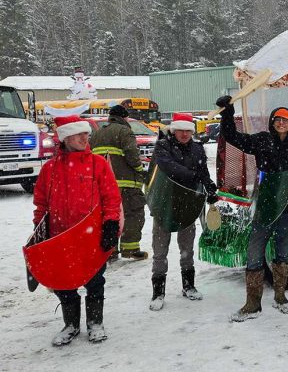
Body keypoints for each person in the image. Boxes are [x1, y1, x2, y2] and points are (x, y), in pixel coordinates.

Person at [215, 96, 288, 322]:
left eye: (285, 120)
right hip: (264, 209)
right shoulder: (262, 141)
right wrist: (227, 113)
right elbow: (232, 137)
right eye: (277, 119)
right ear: (272, 122)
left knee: (282, 254)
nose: (281, 123)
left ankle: (280, 297)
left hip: (287, 211)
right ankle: (252, 304)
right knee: (254, 254)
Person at [32, 115, 122, 346]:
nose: (85, 137)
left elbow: (111, 197)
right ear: (65, 137)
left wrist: (111, 223)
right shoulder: (50, 168)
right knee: (64, 282)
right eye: (79, 134)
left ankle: (95, 323)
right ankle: (71, 325)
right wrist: (39, 228)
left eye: (86, 134)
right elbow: (41, 202)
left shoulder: (98, 164)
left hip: (91, 235)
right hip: (61, 237)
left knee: (95, 280)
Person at [149, 113, 218, 311]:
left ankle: (189, 286)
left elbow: (203, 171)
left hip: (188, 203)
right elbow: (167, 166)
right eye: (181, 130)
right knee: (160, 251)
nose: (185, 134)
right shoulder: (163, 146)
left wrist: (209, 187)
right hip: (165, 203)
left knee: (187, 248)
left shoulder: (197, 148)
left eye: (188, 130)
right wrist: (192, 174)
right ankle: (158, 292)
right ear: (174, 130)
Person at [90, 104, 148, 261]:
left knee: (110, 216)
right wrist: (139, 169)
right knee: (133, 214)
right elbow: (132, 155)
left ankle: (111, 249)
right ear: (124, 117)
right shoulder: (125, 131)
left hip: (104, 185)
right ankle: (131, 249)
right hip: (126, 183)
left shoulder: (96, 134)